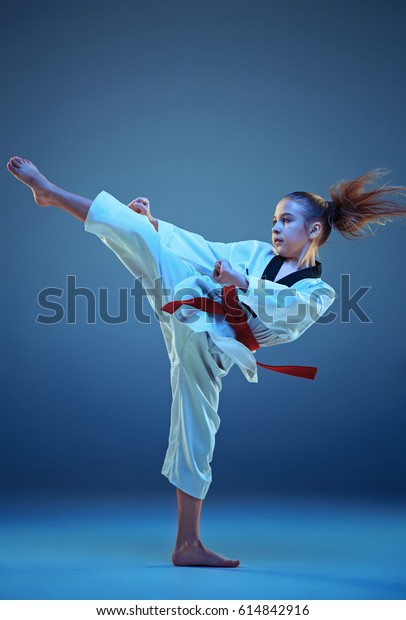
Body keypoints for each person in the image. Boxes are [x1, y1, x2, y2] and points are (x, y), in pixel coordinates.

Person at [6, 156, 406, 568]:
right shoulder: (253, 251)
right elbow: (206, 251)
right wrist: (157, 225)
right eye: (274, 219)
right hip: (191, 301)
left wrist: (242, 282)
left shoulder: (319, 292)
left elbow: (288, 309)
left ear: (314, 230)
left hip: (216, 346)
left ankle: (187, 545)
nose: (275, 227)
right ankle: (50, 193)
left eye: (285, 220)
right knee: (139, 231)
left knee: (196, 430)